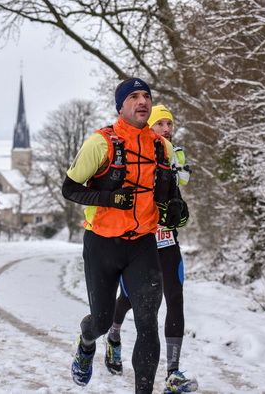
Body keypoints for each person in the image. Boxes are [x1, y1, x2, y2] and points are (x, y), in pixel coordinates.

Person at [62, 78, 187, 394]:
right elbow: (70, 188)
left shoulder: (162, 146)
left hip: (142, 244)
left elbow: (171, 188)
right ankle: (88, 341)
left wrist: (176, 207)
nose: (142, 101)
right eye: (134, 96)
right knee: (102, 321)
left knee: (148, 323)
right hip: (102, 243)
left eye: (146, 95)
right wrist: (109, 199)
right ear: (121, 106)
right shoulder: (101, 143)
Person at [104, 105, 197, 394]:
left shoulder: (173, 156)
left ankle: (173, 372)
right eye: (161, 124)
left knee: (175, 298)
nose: (167, 129)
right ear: (148, 127)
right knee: (130, 298)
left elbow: (178, 195)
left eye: (170, 123)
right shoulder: (133, 155)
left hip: (166, 240)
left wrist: (179, 211)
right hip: (138, 241)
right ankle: (114, 337)